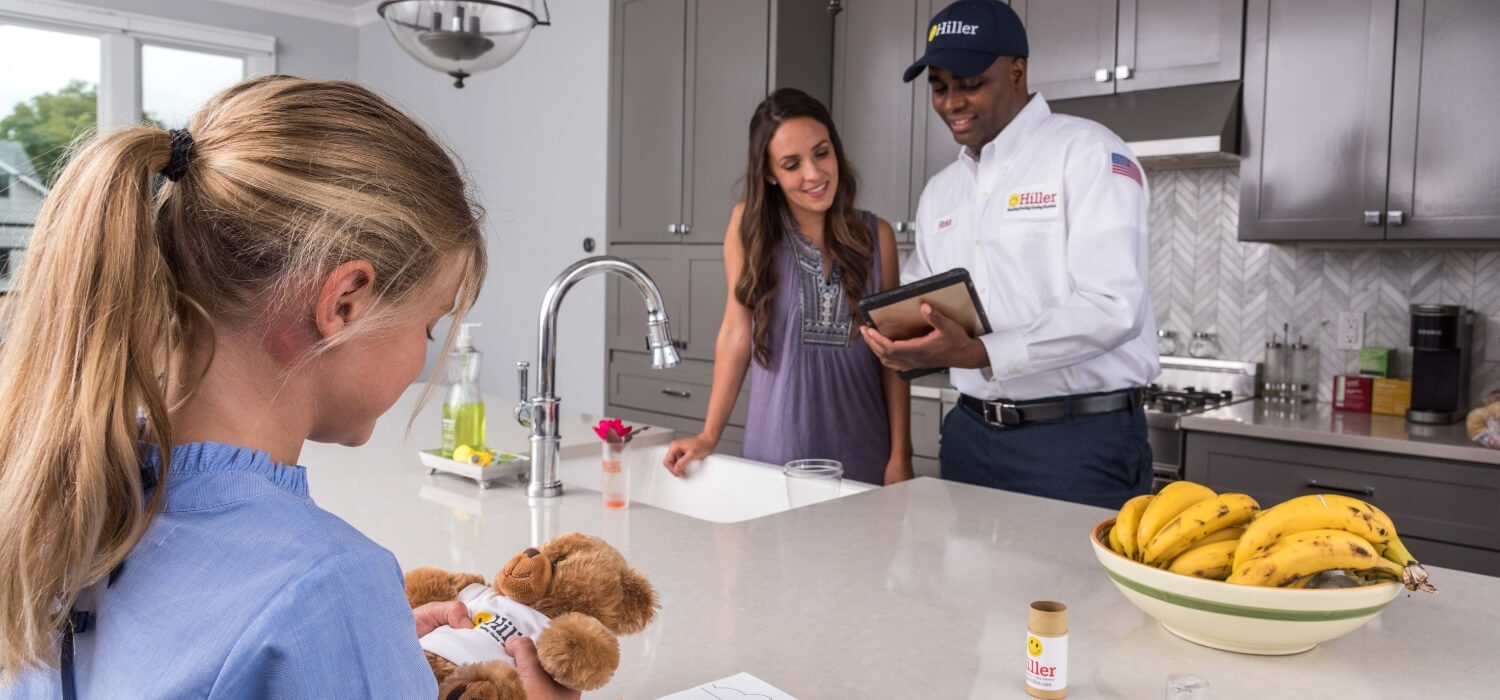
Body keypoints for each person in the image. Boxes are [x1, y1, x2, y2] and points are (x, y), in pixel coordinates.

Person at [0, 76, 576, 699]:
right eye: (429, 326)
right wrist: (347, 638)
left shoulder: (60, 497)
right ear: (347, 302)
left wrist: (362, 659)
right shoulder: (327, 585)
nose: (420, 360)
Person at [862, 0, 1159, 509]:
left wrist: (982, 352)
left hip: (1079, 443)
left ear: (1017, 72)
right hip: (969, 436)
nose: (951, 101)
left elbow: (1113, 305)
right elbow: (925, 296)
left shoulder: (1089, 154)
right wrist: (895, 334)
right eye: (939, 86)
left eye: (969, 82)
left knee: (1075, 593)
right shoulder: (941, 191)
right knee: (962, 592)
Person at [662, 88, 912, 486]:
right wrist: (710, 433)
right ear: (769, 173)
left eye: (822, 153)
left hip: (866, 453)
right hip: (778, 451)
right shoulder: (750, 227)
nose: (814, 174)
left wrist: (901, 456)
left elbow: (893, 358)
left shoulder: (876, 236)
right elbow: (735, 332)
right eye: (792, 164)